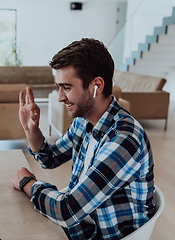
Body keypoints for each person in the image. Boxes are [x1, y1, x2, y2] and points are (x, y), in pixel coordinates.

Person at [11, 38, 155, 240]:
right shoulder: (84, 122)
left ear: (96, 86)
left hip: (105, 234)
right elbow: (49, 159)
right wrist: (31, 130)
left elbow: (67, 210)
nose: (61, 97)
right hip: (82, 225)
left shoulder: (124, 139)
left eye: (67, 87)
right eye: (59, 87)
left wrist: (28, 183)